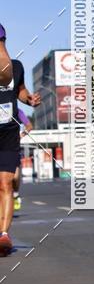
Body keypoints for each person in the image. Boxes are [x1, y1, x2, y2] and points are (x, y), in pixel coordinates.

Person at [0, 28, 41, 255]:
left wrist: (30, 99)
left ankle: (3, 235)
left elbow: (21, 91)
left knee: (5, 183)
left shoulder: (16, 67)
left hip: (8, 133)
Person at [12, 107, 33, 214]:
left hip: (11, 148)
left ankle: (15, 194)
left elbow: (29, 126)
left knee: (15, 177)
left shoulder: (16, 110)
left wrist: (21, 135)